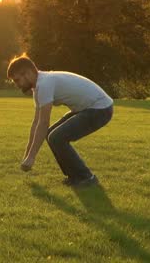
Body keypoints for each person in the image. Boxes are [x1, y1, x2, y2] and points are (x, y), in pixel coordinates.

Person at [7, 53, 113, 187]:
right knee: (51, 134)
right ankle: (74, 177)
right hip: (88, 108)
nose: (17, 85)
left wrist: (32, 158)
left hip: (100, 109)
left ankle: (87, 178)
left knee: (57, 137)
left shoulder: (44, 84)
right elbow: (36, 123)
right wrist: (27, 155)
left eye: (17, 80)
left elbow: (44, 122)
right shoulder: (39, 86)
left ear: (27, 74)